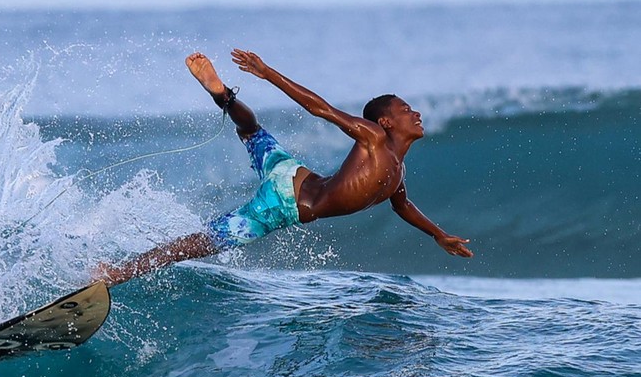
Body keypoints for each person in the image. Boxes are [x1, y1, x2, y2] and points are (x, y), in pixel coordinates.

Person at [95, 50, 472, 286]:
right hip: (282, 205)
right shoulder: (373, 138)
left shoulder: (397, 173)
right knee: (202, 244)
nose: (416, 113)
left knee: (251, 129)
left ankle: (221, 95)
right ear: (387, 122)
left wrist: (438, 234)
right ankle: (116, 273)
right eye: (406, 110)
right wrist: (267, 72)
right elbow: (321, 109)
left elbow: (402, 206)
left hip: (290, 173)